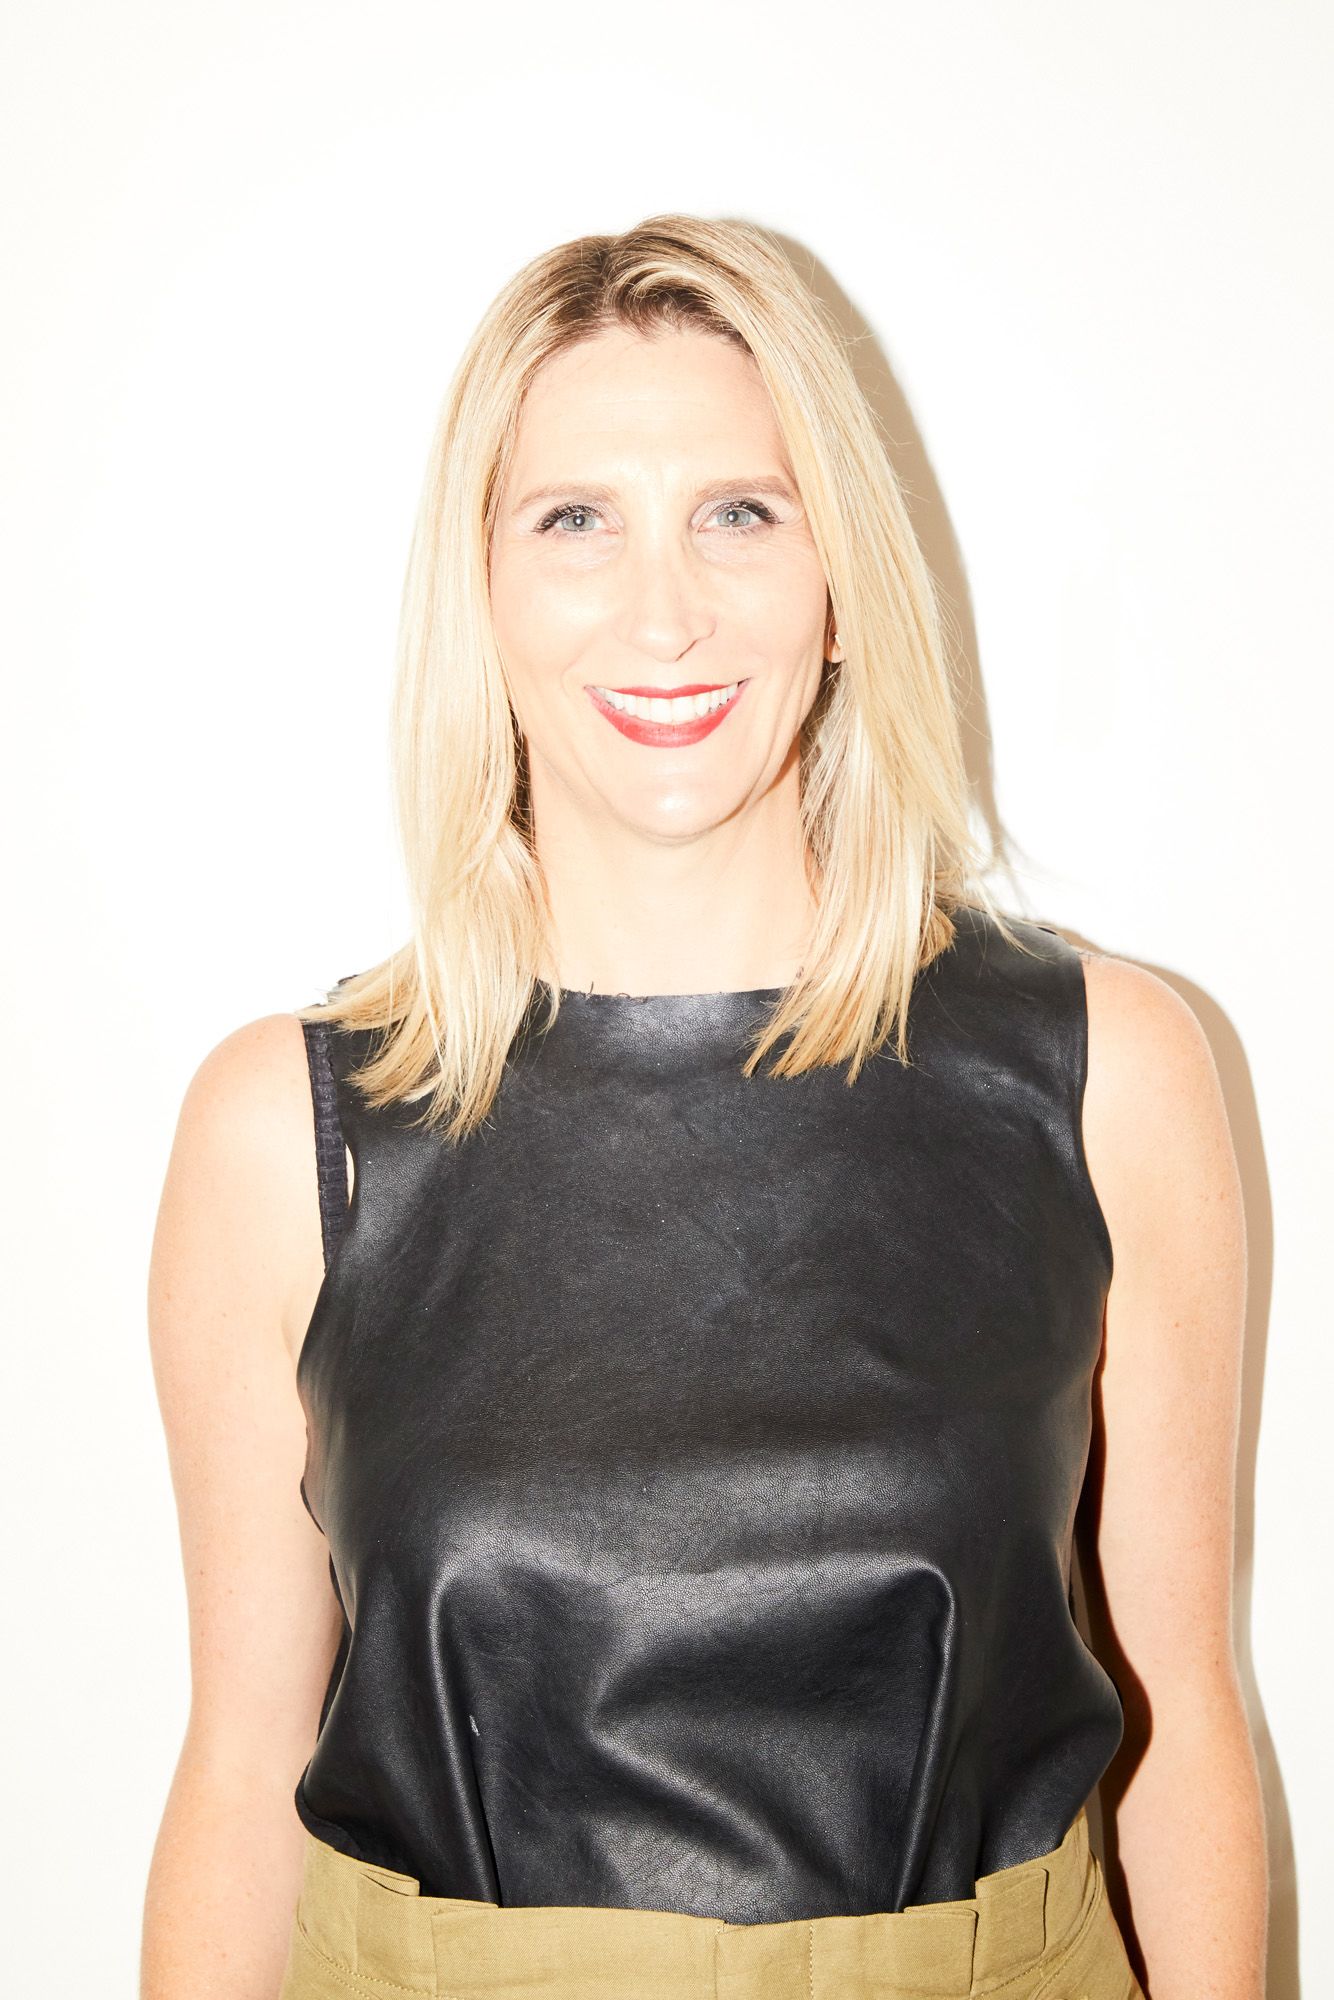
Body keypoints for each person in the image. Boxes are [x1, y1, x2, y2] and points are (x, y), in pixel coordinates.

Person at [141, 215, 1267, 2000]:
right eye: (573, 521)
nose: (663, 612)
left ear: (841, 581)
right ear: (481, 592)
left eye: (740, 513)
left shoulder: (1100, 1071)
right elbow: (238, 1768)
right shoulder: (286, 1135)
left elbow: (1180, 1716)